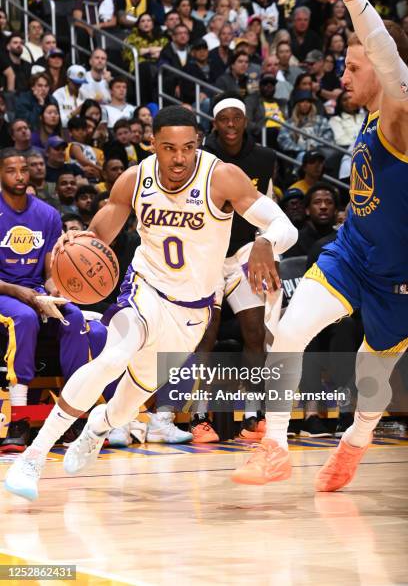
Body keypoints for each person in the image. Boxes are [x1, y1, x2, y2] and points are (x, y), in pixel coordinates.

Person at [4, 105, 297, 499]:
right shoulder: (135, 179)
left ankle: (98, 427)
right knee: (111, 356)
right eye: (169, 147)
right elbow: (98, 234)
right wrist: (75, 248)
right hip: (144, 290)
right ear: (153, 144)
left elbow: (284, 226)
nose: (179, 158)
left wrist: (264, 242)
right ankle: (34, 459)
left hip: (192, 312)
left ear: (199, 143)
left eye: (188, 147)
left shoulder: (221, 177)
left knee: (126, 407)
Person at [231, 0, 408, 491]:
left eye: (353, 67)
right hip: (352, 254)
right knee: (288, 332)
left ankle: (355, 441)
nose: (342, 75)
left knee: (369, 377)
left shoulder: (400, 115)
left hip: (398, 277)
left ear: (379, 67)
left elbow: (389, 59)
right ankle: (276, 448)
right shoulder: (372, 119)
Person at [0, 149, 95, 452]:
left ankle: (72, 415)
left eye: (24, 169)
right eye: (11, 170)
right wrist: (23, 294)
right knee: (24, 317)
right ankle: (18, 419)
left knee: (75, 317)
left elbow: (50, 271)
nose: (19, 176)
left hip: (35, 291)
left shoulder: (48, 214)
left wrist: (55, 291)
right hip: (5, 293)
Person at [203, 92, 279, 440]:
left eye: (237, 118)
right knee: (204, 333)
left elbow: (270, 206)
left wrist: (268, 244)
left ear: (245, 121)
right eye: (224, 119)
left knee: (255, 331)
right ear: (215, 124)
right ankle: (198, 418)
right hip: (208, 254)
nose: (231, 125)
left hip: (247, 251)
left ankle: (252, 414)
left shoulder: (264, 158)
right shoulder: (203, 157)